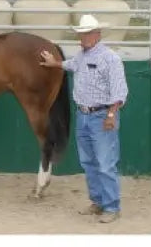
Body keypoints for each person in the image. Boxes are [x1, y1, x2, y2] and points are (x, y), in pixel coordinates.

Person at [40, 14, 128, 223]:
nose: (82, 37)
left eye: (86, 33)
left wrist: (111, 114)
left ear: (97, 34)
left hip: (101, 115)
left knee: (105, 163)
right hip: (84, 115)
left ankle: (112, 207)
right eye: (81, 34)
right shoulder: (81, 56)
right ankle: (98, 202)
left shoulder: (110, 58)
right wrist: (54, 63)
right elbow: (70, 65)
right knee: (89, 162)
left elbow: (119, 90)